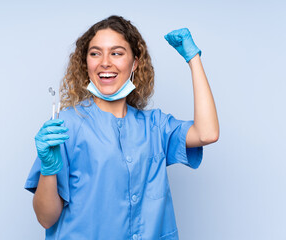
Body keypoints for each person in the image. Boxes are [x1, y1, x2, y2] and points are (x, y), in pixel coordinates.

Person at [25, 15, 219, 240]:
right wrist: (48, 170)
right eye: (95, 53)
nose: (105, 62)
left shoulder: (155, 126)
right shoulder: (66, 125)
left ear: (135, 62)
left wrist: (193, 59)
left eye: (116, 53)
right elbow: (46, 218)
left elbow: (207, 133)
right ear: (85, 63)